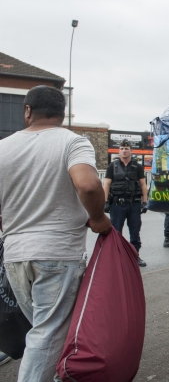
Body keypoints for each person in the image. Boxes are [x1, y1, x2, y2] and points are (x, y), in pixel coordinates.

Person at [0, 86, 111, 381]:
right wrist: (98, 218)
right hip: (58, 254)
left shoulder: (3, 147)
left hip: (15, 256)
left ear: (27, 111)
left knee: (42, 327)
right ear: (62, 114)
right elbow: (88, 185)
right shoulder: (73, 143)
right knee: (47, 333)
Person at [103, 139, 149, 267]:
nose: (124, 151)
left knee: (135, 231)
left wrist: (145, 202)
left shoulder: (137, 167)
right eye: (122, 149)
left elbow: (143, 184)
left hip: (133, 204)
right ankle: (116, 257)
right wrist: (105, 201)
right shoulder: (113, 166)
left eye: (126, 148)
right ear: (119, 151)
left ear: (131, 151)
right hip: (117, 204)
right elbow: (106, 184)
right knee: (116, 232)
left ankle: (135, 256)